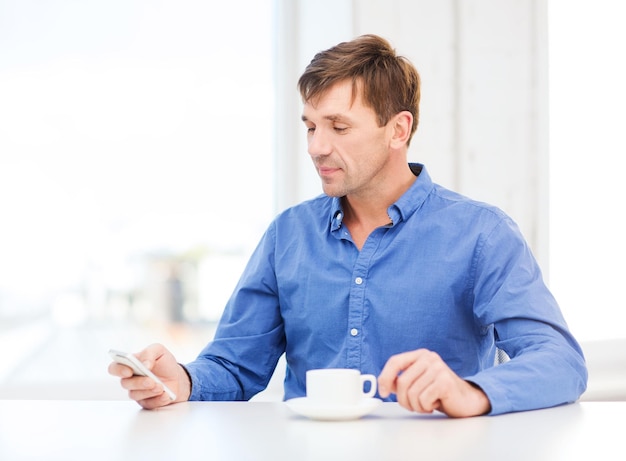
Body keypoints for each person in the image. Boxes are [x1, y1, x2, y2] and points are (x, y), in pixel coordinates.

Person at [109, 34, 587, 417]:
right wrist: (183, 381)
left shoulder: (481, 234)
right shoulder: (287, 236)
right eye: (310, 126)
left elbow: (559, 361)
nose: (317, 147)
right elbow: (234, 365)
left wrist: (470, 392)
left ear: (398, 130)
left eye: (338, 127)